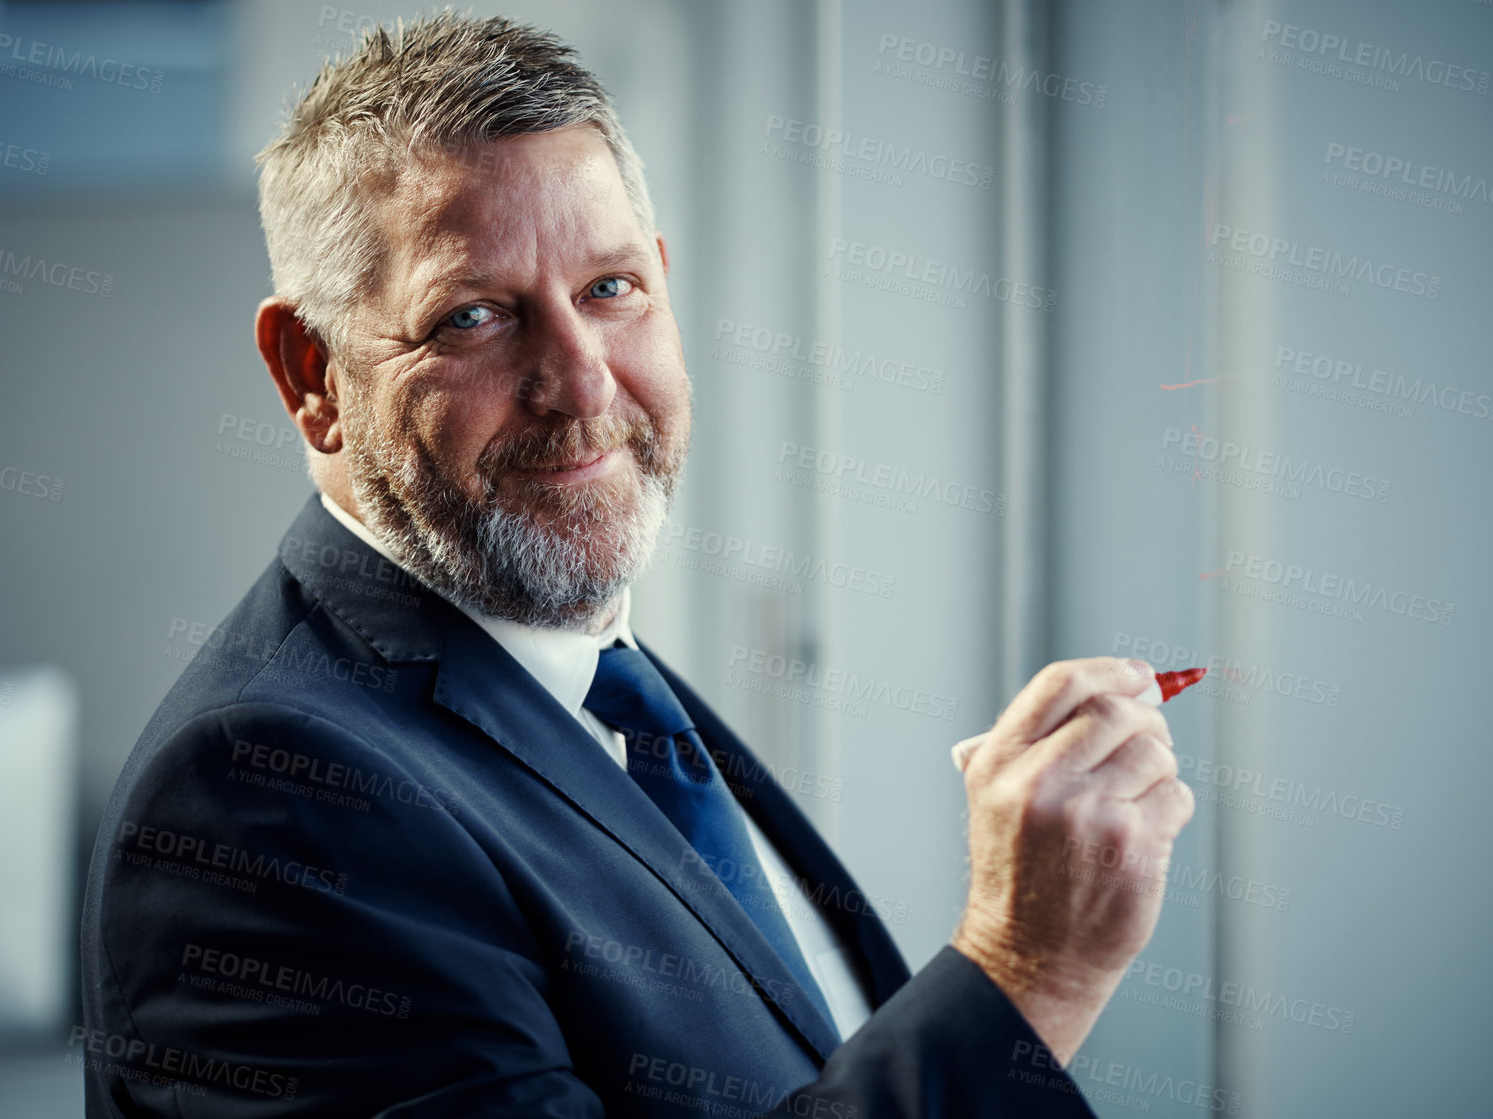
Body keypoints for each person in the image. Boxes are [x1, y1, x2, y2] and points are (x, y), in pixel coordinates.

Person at [79, 13, 1195, 1116]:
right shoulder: (269, 798)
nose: (582, 381)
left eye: (610, 291)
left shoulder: (594, 676)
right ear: (311, 373)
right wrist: (1023, 976)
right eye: (472, 317)